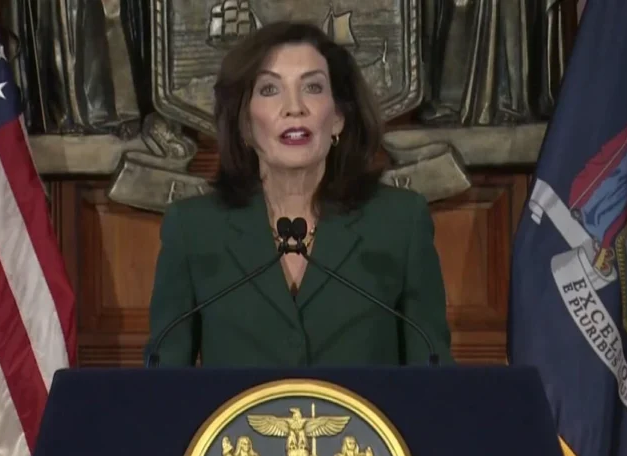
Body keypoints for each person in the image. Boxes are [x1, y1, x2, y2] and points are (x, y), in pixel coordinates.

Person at [143, 21, 453, 367]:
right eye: (270, 90)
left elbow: (433, 373)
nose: (294, 107)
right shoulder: (193, 230)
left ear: (338, 117)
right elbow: (164, 381)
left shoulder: (400, 223)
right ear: (245, 124)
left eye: (313, 87)